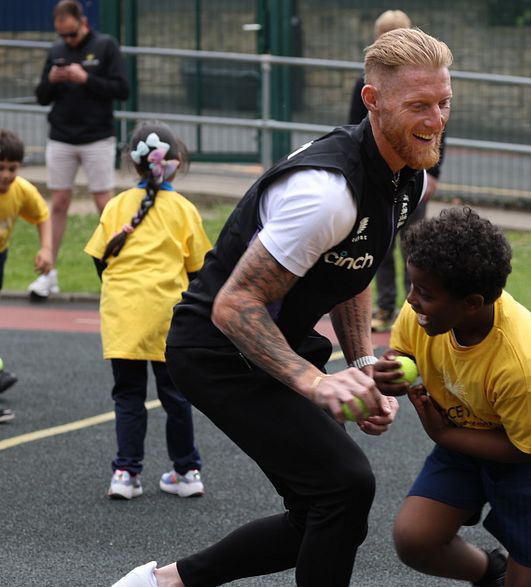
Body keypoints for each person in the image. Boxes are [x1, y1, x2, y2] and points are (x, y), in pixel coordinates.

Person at [111, 27, 452, 587]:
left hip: (275, 343)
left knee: (328, 508)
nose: (436, 120)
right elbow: (233, 305)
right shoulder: (325, 193)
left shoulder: (404, 179)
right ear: (372, 101)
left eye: (443, 103)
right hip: (215, 349)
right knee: (343, 488)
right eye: (419, 105)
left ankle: (163, 584)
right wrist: (315, 383)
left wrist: (361, 366)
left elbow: (354, 267)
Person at [373, 207, 531, 587]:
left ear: (472, 303)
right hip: (469, 419)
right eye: (412, 286)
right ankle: (491, 572)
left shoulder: (521, 363)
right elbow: (404, 352)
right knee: (415, 539)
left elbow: (527, 449)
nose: (410, 300)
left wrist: (444, 436)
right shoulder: (425, 311)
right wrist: (392, 370)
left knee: (528, 580)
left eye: (424, 293)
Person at [84, 122, 212, 500]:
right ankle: (186, 471)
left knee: (127, 395)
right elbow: (198, 270)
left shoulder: (115, 205)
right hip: (169, 316)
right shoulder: (185, 210)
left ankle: (125, 473)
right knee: (175, 396)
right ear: (178, 161)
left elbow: (99, 260)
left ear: (132, 164)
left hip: (124, 314)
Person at [348, 9, 447, 332]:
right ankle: (386, 306)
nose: (434, 114)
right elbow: (355, 126)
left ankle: (413, 309)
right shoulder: (367, 85)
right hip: (376, 179)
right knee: (378, 248)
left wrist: (432, 173)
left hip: (413, 175)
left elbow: (437, 129)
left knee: (414, 246)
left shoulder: (427, 86)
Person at [30, 0, 129, 300]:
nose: (68, 41)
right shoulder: (56, 51)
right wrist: (51, 80)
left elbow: (122, 90)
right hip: (61, 135)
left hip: (97, 136)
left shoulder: (105, 46)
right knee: (58, 201)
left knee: (104, 203)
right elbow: (41, 97)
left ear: (82, 22)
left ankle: (116, 272)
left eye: (72, 35)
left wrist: (86, 79)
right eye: (63, 36)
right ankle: (50, 274)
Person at [0, 128, 54, 419]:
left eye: (13, 168)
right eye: (1, 169)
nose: (7, 175)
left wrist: (46, 249)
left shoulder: (21, 190)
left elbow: (42, 215)